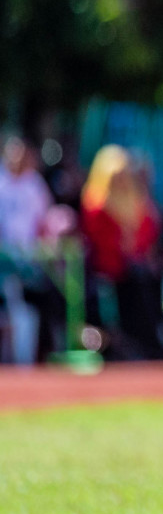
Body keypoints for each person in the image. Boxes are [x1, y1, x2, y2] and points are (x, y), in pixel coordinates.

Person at [80, 145, 163, 359]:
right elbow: (97, 234)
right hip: (105, 272)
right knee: (106, 318)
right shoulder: (95, 202)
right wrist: (122, 240)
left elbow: (149, 229)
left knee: (142, 309)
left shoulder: (136, 199)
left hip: (130, 273)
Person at [0, 137, 63, 363]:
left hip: (30, 258)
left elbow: (45, 220)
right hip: (4, 258)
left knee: (29, 308)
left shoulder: (34, 184)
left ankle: (29, 359)